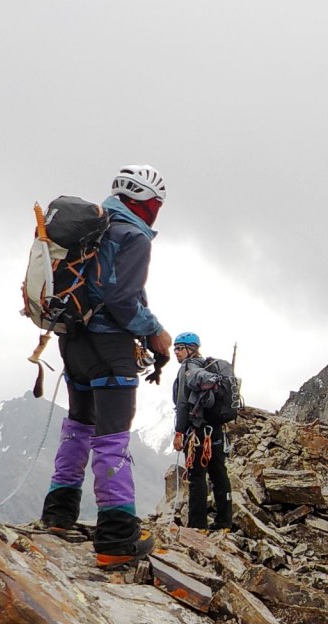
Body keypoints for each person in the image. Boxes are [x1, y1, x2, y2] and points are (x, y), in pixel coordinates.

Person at [39, 164, 172, 569]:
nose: (156, 212)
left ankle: (58, 516)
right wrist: (156, 333)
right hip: (109, 347)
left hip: (72, 339)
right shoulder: (132, 235)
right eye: (156, 204)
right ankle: (116, 539)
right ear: (144, 201)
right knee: (112, 437)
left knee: (78, 424)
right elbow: (122, 301)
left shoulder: (93, 227)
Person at [172, 332, 233, 531]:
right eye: (175, 348)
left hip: (197, 432)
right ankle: (225, 521)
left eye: (180, 348)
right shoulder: (211, 368)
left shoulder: (188, 368)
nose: (176, 352)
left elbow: (182, 404)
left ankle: (197, 527)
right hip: (215, 431)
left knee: (197, 477)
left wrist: (179, 432)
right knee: (218, 474)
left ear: (191, 349)